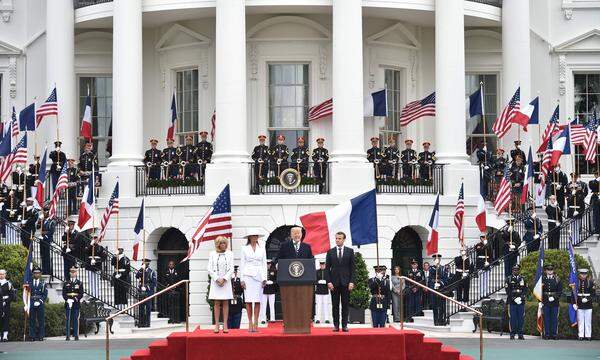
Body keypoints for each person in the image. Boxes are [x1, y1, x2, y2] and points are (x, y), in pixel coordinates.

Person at [325, 231, 355, 332]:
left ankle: (345, 325)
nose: (337, 240)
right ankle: (336, 326)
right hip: (334, 284)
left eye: (339, 238)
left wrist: (351, 282)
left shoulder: (350, 251)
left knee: (345, 305)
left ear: (344, 239)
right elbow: (327, 269)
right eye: (336, 238)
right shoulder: (330, 252)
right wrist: (328, 282)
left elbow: (353, 268)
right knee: (335, 305)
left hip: (346, 283)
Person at [240, 230, 268, 333]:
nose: (255, 237)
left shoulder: (262, 249)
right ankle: (250, 322)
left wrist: (265, 278)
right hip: (247, 276)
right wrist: (242, 279)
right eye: (253, 236)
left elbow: (264, 264)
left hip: (259, 276)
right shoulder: (244, 248)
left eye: (256, 236)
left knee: (257, 300)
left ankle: (256, 322)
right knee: (248, 300)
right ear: (249, 237)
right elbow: (242, 263)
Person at [208, 236, 234, 333]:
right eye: (222, 243)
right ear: (218, 244)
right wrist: (217, 278)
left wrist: (224, 278)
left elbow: (231, 268)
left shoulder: (230, 254)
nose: (224, 245)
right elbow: (209, 269)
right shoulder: (212, 254)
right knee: (217, 303)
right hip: (216, 282)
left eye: (225, 243)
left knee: (226, 302)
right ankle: (217, 325)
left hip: (226, 282)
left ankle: (225, 325)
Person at [505, 265, 527, 340]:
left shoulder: (523, 278)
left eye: (517, 270)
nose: (516, 271)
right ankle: (512, 334)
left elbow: (525, 289)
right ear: (512, 271)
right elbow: (508, 290)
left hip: (521, 301)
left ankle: (520, 334)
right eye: (514, 270)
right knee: (513, 318)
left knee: (521, 318)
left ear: (519, 270)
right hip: (512, 301)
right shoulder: (509, 279)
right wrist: (514, 298)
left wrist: (521, 297)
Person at [541, 264, 562, 340]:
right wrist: (540, 301)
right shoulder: (542, 279)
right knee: (546, 318)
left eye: (551, 270)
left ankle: (554, 334)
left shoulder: (557, 279)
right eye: (548, 270)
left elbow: (560, 291)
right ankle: (546, 334)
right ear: (546, 271)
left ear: (553, 271)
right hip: (545, 301)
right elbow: (539, 291)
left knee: (554, 319)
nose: (550, 271)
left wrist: (554, 297)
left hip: (554, 302)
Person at [573, 268, 595, 341]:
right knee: (580, 320)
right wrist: (574, 303)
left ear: (586, 274)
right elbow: (574, 293)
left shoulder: (590, 282)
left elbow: (593, 294)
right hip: (579, 304)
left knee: (588, 320)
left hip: (588, 304)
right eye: (582, 274)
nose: (583, 275)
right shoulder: (576, 282)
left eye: (585, 274)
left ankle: (588, 335)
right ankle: (581, 335)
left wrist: (588, 299)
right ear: (579, 274)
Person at [62, 266, 84, 341]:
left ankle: (76, 335)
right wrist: (67, 299)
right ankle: (67, 335)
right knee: (68, 319)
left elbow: (81, 294)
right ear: (69, 273)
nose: (73, 273)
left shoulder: (79, 283)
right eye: (71, 272)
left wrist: (76, 299)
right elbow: (64, 293)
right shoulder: (66, 283)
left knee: (75, 319)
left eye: (74, 272)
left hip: (76, 303)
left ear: (76, 273)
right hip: (68, 303)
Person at [136, 258, 157, 328]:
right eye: (143, 262)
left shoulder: (151, 272)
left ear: (148, 263)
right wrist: (141, 269)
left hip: (148, 292)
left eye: (145, 263)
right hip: (141, 291)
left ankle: (147, 323)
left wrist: (147, 286)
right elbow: (137, 276)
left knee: (148, 308)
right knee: (141, 307)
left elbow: (154, 283)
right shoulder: (141, 270)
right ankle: (141, 322)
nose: (144, 263)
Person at [28, 266, 47, 341]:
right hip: (31, 302)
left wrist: (40, 301)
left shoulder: (43, 283)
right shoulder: (29, 282)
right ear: (33, 274)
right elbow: (27, 294)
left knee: (41, 320)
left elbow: (45, 294)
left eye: (38, 273)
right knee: (32, 320)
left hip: (40, 303)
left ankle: (41, 336)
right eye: (35, 273)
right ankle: (32, 336)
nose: (36, 274)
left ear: (40, 274)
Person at [428, 254, 446, 326]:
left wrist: (440, 282)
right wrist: (433, 283)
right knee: (435, 305)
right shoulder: (431, 269)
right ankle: (436, 321)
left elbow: (445, 279)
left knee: (441, 305)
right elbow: (429, 279)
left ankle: (441, 320)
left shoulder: (443, 268)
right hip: (434, 288)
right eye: (435, 258)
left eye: (438, 258)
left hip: (441, 289)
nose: (437, 259)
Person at [0, 269, 16, 342]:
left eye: (2, 274)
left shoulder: (8, 284)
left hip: (6, 304)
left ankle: (5, 336)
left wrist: (6, 301)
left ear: (5, 275)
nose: (1, 275)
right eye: (0, 274)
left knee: (5, 319)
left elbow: (12, 295)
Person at [40, 208, 56, 275]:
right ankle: (44, 270)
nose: (43, 214)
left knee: (47, 256)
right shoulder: (42, 220)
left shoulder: (51, 221)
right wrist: (39, 221)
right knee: (42, 255)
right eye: (43, 213)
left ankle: (47, 271)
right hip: (42, 240)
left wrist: (44, 233)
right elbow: (38, 227)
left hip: (47, 240)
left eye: (45, 212)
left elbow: (51, 231)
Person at [228, 266, 244, 330]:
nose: (234, 273)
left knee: (237, 324)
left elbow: (244, 292)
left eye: (235, 272)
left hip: (238, 303)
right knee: (229, 323)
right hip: (229, 303)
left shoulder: (240, 280)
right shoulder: (228, 281)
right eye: (233, 272)